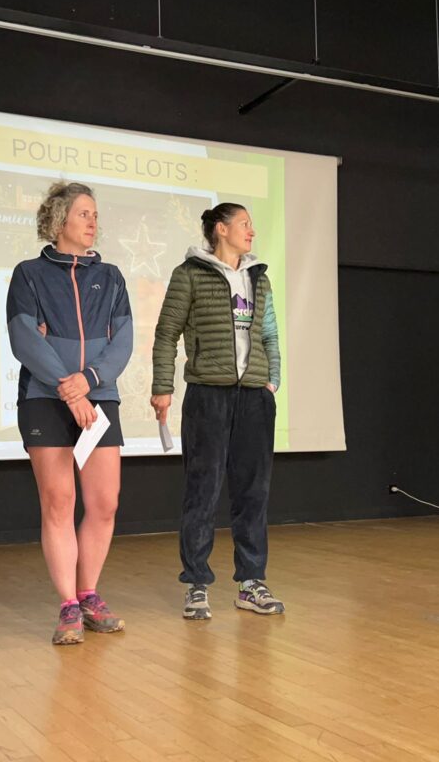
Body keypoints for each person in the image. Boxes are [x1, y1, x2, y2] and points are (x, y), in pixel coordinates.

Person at [6, 182, 133, 645]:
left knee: (104, 504)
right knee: (59, 503)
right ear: (59, 221)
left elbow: (123, 341)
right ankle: (67, 606)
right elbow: (25, 337)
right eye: (83, 213)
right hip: (46, 397)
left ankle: (89, 594)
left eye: (95, 214)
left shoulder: (113, 277)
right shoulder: (29, 274)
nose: (93, 221)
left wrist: (91, 382)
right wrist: (69, 387)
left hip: (100, 396)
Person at [150, 202, 285, 620]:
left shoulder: (258, 277)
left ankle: (251, 582)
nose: (252, 232)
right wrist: (162, 387)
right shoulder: (189, 274)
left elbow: (269, 333)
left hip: (254, 398)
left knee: (253, 493)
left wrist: (272, 379)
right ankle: (196, 584)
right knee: (202, 491)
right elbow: (166, 332)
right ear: (222, 229)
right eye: (245, 224)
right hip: (208, 395)